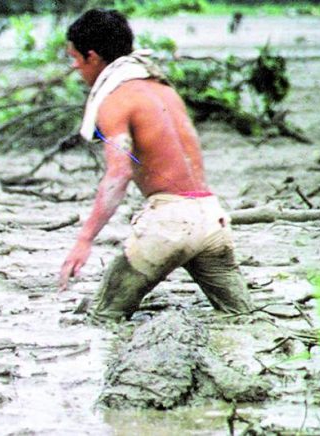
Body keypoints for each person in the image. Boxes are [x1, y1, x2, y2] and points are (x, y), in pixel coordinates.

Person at [56, 9, 252, 322]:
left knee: (104, 319)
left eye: (74, 58)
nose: (75, 67)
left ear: (91, 57)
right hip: (212, 219)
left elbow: (118, 175)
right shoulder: (164, 89)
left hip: (170, 224)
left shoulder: (116, 100)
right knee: (243, 317)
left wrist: (84, 240)